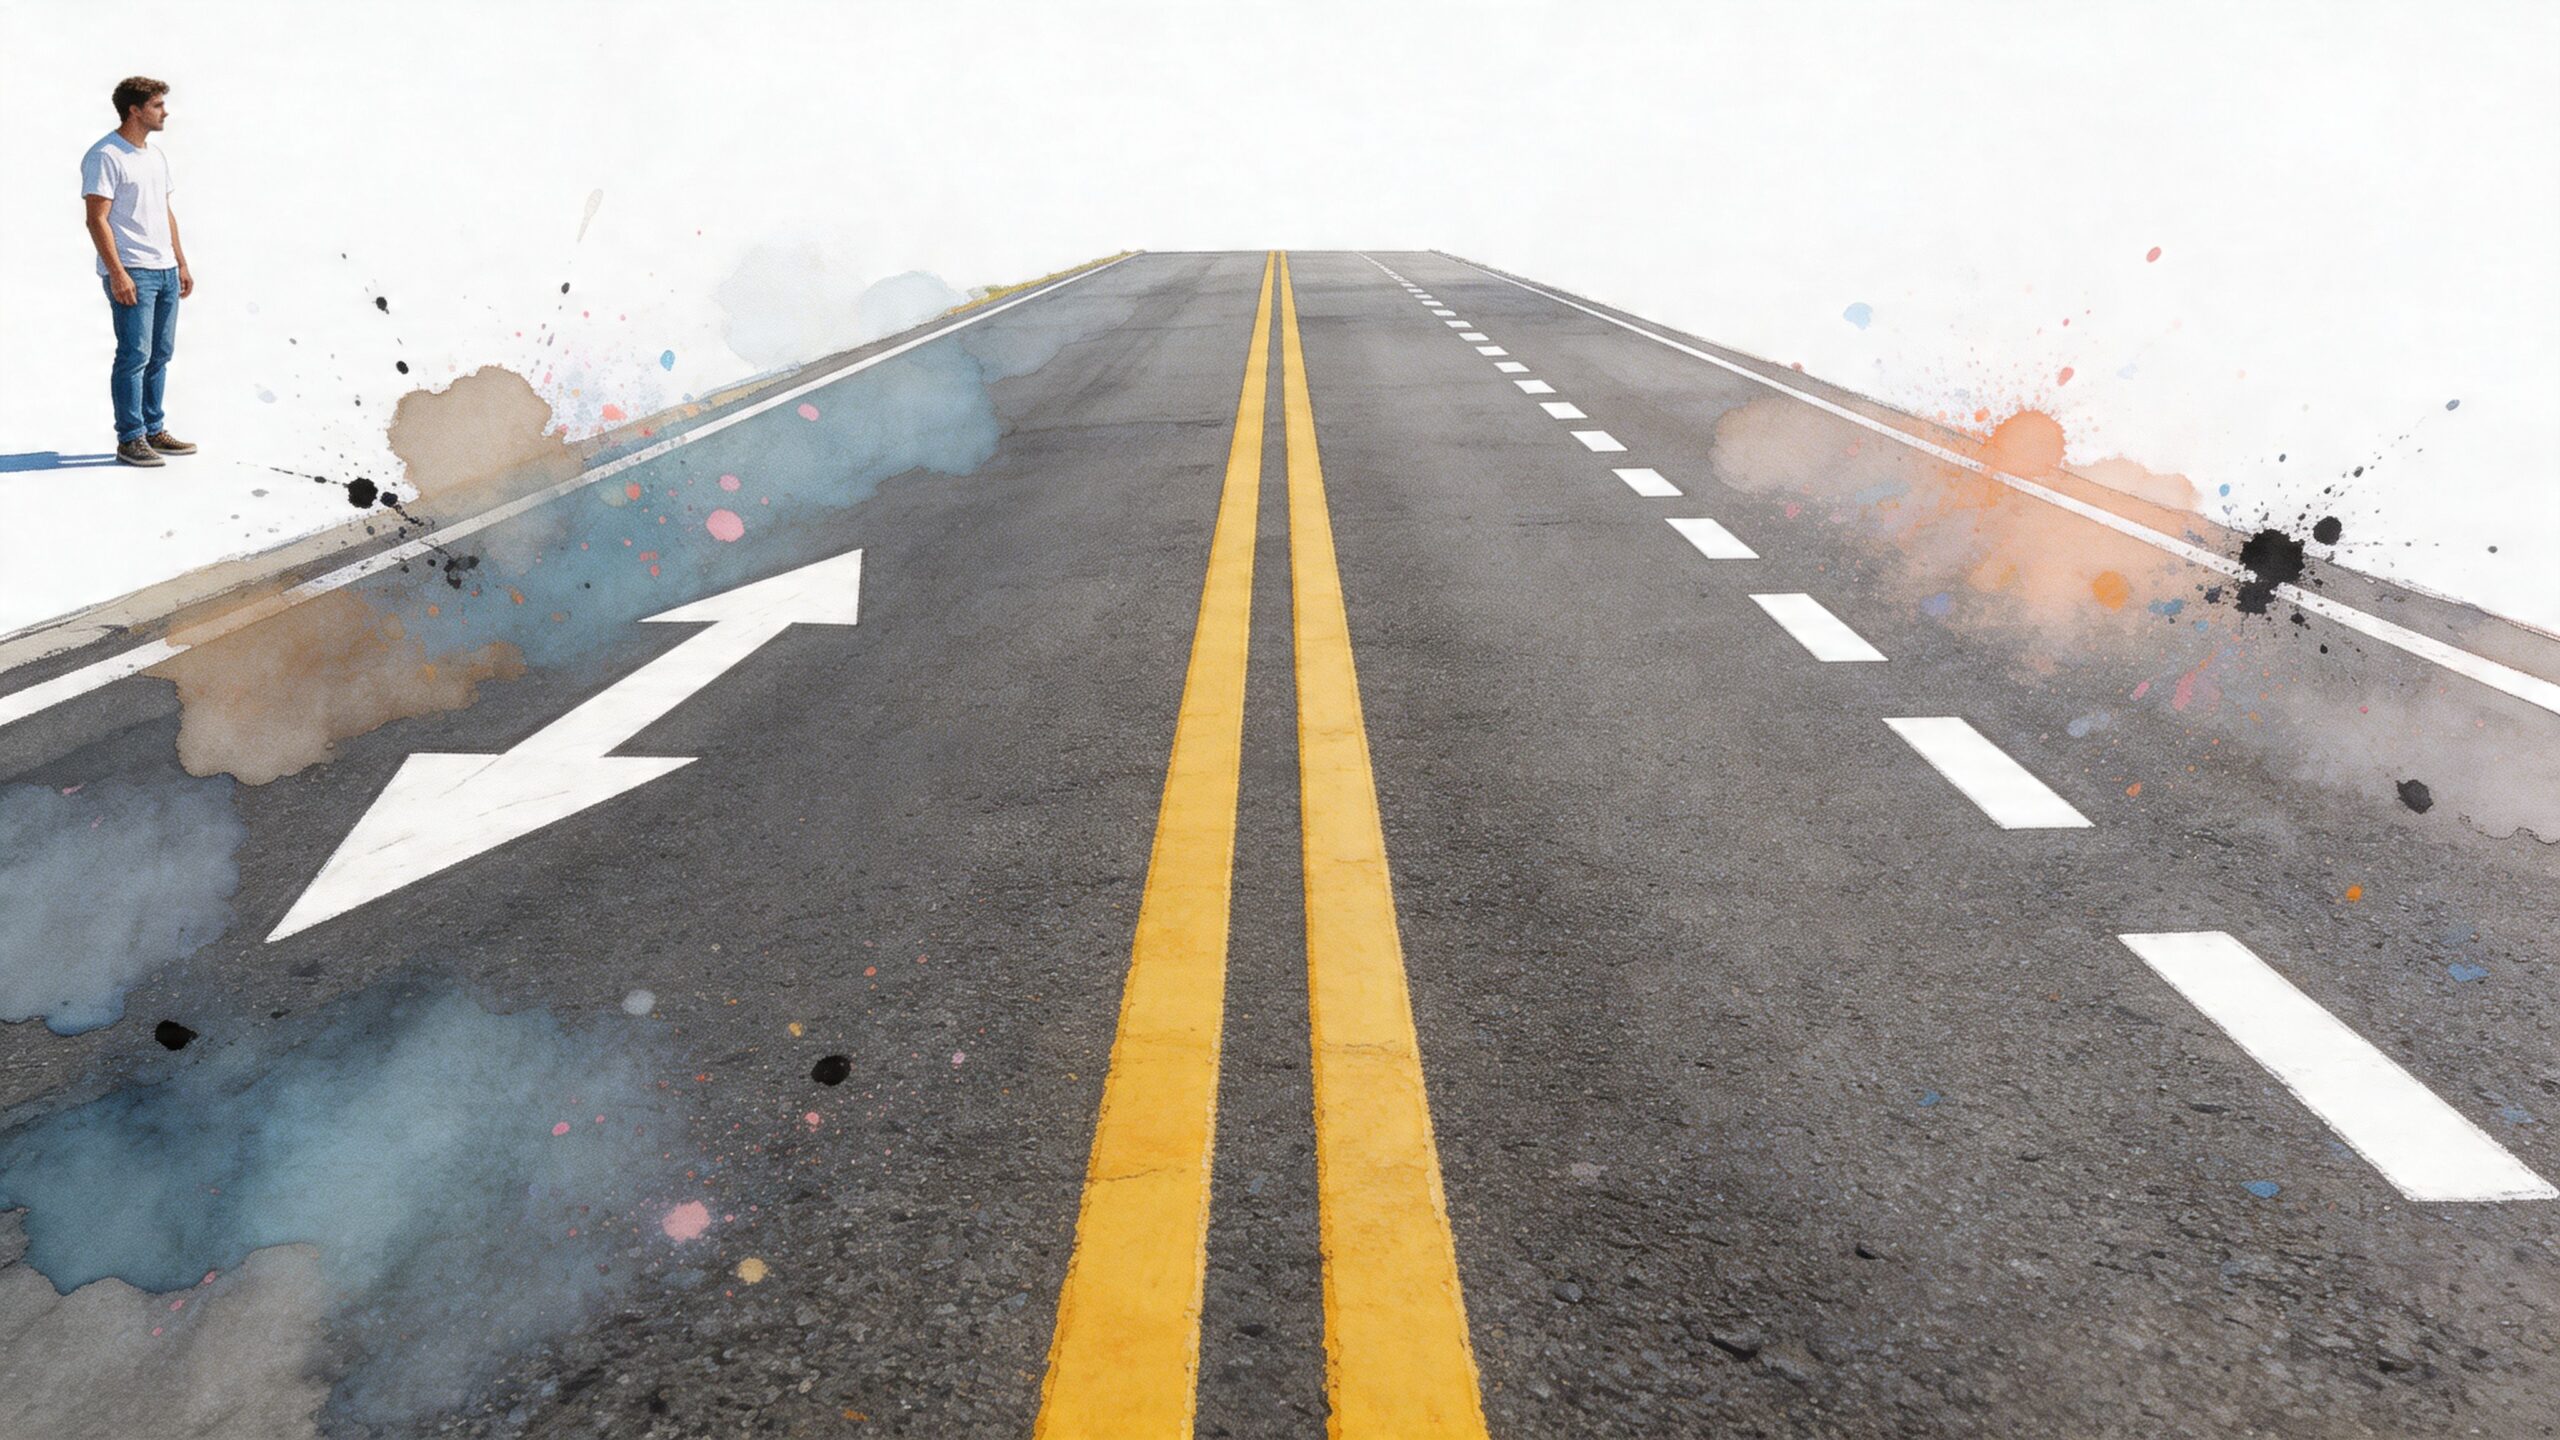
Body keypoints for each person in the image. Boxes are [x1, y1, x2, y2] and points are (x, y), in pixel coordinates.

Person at [82, 75, 196, 467]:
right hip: (133, 270)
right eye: (158, 105)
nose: (165, 112)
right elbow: (97, 219)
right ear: (135, 110)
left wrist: (180, 261)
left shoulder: (155, 156)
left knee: (160, 354)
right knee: (134, 355)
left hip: (163, 269)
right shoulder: (106, 155)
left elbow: (164, 212)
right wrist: (117, 273)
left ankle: (153, 429)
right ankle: (130, 438)